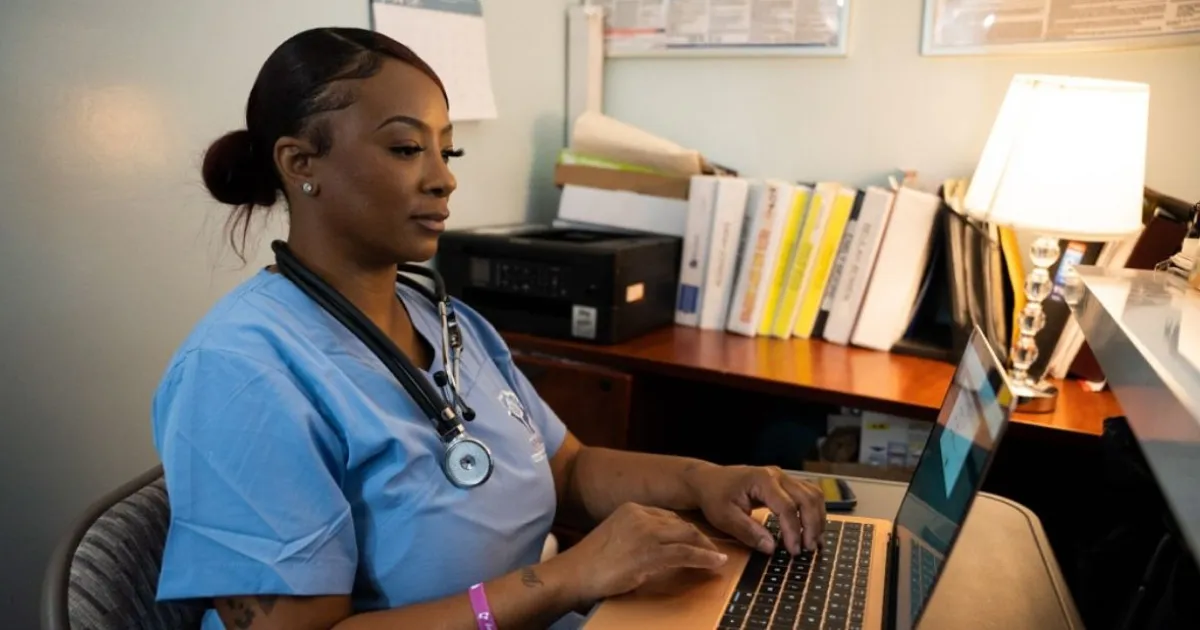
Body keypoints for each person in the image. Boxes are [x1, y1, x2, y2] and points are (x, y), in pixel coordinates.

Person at [153, 26, 826, 630]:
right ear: (301, 165)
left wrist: (705, 479)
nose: (444, 180)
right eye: (407, 147)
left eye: (449, 151)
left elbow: (571, 470)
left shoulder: (446, 321)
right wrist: (564, 578)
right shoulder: (240, 371)